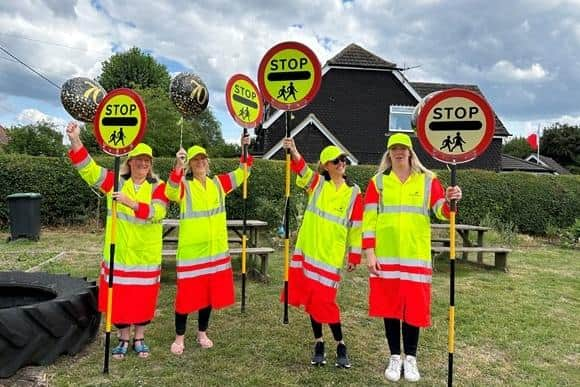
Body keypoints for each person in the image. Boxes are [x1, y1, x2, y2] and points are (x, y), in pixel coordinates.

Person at [362, 133, 462, 382]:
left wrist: (452, 200)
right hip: (387, 255)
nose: (398, 152)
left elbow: (442, 211)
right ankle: (395, 356)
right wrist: (369, 252)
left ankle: (412, 359)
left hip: (415, 256)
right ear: (388, 153)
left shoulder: (429, 180)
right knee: (390, 307)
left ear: (410, 152)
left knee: (414, 308)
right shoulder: (377, 183)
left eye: (402, 148)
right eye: (394, 148)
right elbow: (369, 220)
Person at [66, 122, 168, 359]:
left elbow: (158, 213)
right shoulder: (116, 182)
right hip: (119, 254)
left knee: (143, 298)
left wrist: (130, 203)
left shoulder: (159, 187)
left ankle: (140, 338)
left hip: (145, 255)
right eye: (139, 159)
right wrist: (75, 140)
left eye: (147, 161)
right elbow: (89, 170)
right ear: (129, 161)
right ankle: (123, 339)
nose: (143, 164)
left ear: (151, 164)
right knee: (119, 298)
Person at [165, 135, 252, 355]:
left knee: (207, 296)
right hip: (192, 252)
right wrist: (178, 165)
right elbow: (170, 192)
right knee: (185, 297)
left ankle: (202, 332)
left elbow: (244, 172)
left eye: (203, 159)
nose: (200, 163)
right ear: (190, 165)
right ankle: (179, 337)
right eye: (195, 160)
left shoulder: (219, 183)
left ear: (208, 162)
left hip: (214, 253)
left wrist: (244, 149)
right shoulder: (184, 185)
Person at [282, 137, 362, 369]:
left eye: (343, 160)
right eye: (335, 161)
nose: (341, 163)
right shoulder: (317, 184)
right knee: (312, 300)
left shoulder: (354, 192)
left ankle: (340, 343)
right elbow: (301, 169)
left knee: (326, 302)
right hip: (309, 251)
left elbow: (357, 226)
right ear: (326, 165)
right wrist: (294, 150)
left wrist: (355, 255)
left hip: (331, 256)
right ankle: (319, 342)